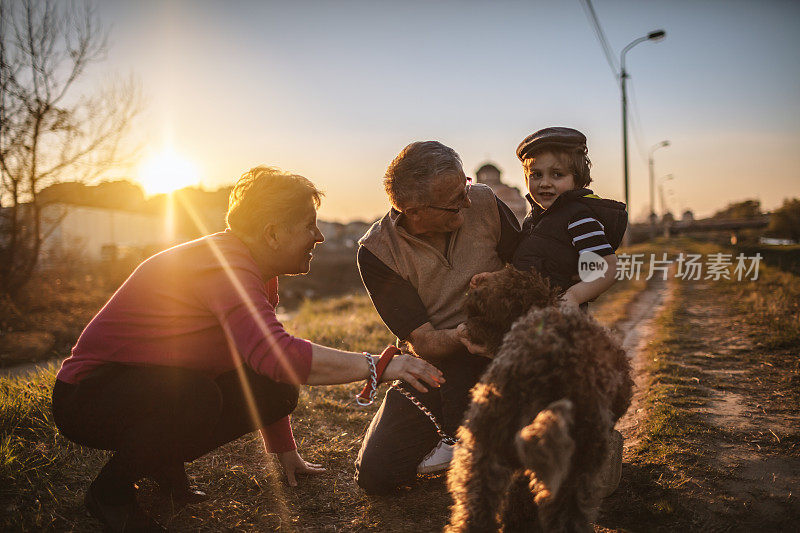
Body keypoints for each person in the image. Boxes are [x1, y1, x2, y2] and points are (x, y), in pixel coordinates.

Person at [51, 166, 444, 532]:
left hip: (149, 385)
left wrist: (285, 451)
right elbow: (276, 354)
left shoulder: (255, 271)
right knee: (196, 397)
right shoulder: (225, 266)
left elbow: (259, 361)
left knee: (274, 391)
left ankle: (161, 463)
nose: (320, 237)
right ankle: (110, 494)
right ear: (272, 233)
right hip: (88, 397)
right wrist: (377, 365)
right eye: (309, 226)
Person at [354, 141, 521, 494]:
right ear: (414, 211)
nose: (468, 202)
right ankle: (459, 437)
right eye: (454, 200)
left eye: (466, 187)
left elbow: (529, 269)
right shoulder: (378, 252)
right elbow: (424, 340)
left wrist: (503, 289)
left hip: (509, 347)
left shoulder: (486, 200)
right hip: (440, 364)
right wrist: (464, 336)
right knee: (378, 476)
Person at [509, 126, 626, 310]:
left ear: (577, 179)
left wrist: (574, 296)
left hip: (561, 320)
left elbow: (608, 268)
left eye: (557, 174)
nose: (545, 183)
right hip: (528, 318)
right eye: (536, 175)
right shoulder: (532, 220)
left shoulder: (578, 218)